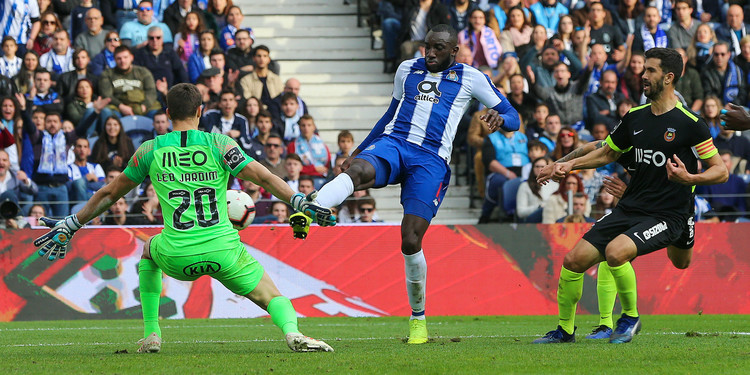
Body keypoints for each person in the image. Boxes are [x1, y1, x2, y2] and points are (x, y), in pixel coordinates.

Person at [32, 83, 335, 353]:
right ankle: (292, 332)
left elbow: (110, 193)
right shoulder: (220, 145)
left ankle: (152, 333)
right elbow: (265, 177)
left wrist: (73, 223)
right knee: (270, 296)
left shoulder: (150, 150)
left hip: (177, 256)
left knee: (149, 247)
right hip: (223, 251)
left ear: (167, 112)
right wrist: (298, 200)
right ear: (201, 111)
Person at [313, 24, 519, 344]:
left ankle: (418, 319)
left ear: (454, 51)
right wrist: (358, 150)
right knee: (357, 171)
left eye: (438, 48)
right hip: (395, 144)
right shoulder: (407, 68)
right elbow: (390, 113)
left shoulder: (471, 77)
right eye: (427, 46)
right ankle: (312, 206)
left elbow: (513, 116)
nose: (430, 53)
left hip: (431, 162)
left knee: (410, 239)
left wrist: (500, 119)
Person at [533, 48, 727, 344]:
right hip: (631, 208)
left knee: (654, 258)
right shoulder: (635, 118)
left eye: (650, 71)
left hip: (669, 214)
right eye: (644, 70)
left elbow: (720, 171)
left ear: (669, 78)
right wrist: (567, 164)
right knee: (573, 260)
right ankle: (565, 331)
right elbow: (606, 151)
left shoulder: (691, 124)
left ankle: (630, 318)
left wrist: (690, 178)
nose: (643, 76)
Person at [99, 45, 161, 117]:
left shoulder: (143, 72)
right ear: (114, 60)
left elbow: (151, 91)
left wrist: (144, 106)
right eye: (119, 58)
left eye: (125, 57)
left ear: (131, 57)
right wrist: (121, 106)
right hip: (117, 107)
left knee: (158, 116)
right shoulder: (107, 74)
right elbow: (107, 95)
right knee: (107, 113)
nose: (122, 61)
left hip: (143, 105)